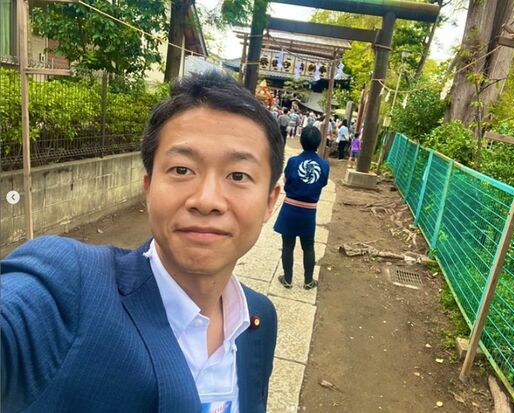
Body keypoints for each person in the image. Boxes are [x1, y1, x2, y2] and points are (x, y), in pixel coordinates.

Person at [1, 70, 284, 413]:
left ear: (270, 201)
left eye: (238, 175)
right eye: (182, 170)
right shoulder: (72, 288)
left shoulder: (257, 320)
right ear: (148, 188)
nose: (206, 200)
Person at [273, 126, 329, 290]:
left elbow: (286, 179)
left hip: (290, 208)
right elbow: (323, 183)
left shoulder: (293, 161)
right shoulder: (324, 165)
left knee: (287, 245)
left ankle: (287, 279)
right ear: (319, 143)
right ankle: (308, 281)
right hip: (308, 211)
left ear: (301, 141)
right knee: (308, 246)